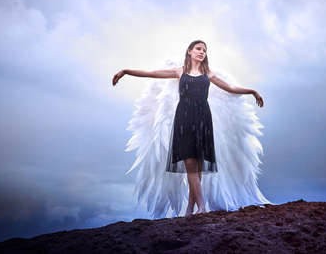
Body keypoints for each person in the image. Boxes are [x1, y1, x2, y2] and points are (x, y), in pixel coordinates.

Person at [112, 40, 265, 216]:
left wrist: (252, 91)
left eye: (205, 50)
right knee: (190, 163)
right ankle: (201, 207)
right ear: (190, 51)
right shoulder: (179, 71)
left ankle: (190, 209)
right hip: (184, 118)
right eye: (199, 49)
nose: (202, 52)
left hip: (203, 118)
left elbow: (230, 87)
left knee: (198, 166)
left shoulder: (208, 74)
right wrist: (125, 71)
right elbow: (151, 73)